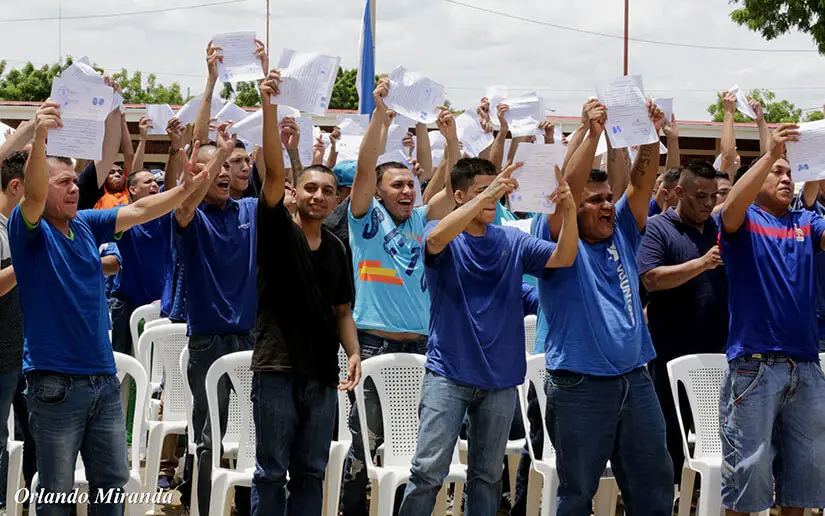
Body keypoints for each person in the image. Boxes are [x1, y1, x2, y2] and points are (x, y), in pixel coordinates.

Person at [8, 100, 210, 516]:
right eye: (62, 182)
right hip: (54, 383)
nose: (73, 187)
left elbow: (139, 209)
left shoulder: (84, 223)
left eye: (73, 182)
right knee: (56, 493)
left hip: (102, 378)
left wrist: (187, 188)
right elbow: (31, 193)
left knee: (112, 486)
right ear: (42, 188)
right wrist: (40, 137)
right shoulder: (28, 231)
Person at [397, 157, 578, 515]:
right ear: (459, 195)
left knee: (489, 476)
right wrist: (486, 196)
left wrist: (569, 210)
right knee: (427, 472)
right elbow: (434, 239)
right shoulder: (442, 231)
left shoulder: (512, 239)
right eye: (483, 191)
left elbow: (564, 256)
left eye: (497, 191)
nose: (493, 198)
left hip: (500, 380)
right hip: (448, 375)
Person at [534, 99, 674, 515]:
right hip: (580, 387)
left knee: (653, 489)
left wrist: (649, 134)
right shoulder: (558, 240)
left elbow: (642, 182)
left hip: (636, 380)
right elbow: (567, 194)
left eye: (608, 198)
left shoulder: (624, 232)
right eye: (595, 200)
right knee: (578, 495)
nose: (607, 206)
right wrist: (593, 134)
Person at [341, 79, 457, 515]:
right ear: (378, 190)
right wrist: (381, 113)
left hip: (424, 351)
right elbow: (368, 163)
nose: (407, 191)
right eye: (397, 186)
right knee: (361, 447)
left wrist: (451, 140)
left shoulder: (424, 219)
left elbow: (460, 193)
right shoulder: (364, 220)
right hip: (372, 348)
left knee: (415, 451)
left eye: (411, 184)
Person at [249, 69, 361, 516]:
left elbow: (343, 310)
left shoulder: (337, 247)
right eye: (310, 188)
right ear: (295, 194)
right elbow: (274, 171)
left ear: (336, 200)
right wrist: (270, 107)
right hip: (276, 368)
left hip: (321, 375)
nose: (318, 196)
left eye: (327, 191)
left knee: (312, 471)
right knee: (271, 472)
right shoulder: (277, 228)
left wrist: (353, 353)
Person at [718, 123, 825, 515]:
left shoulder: (807, 222)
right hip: (754, 367)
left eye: (789, 172)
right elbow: (730, 209)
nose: (786, 177)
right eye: (777, 172)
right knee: (747, 482)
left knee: (803, 481)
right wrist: (770, 154)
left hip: (806, 367)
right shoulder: (744, 222)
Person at [637, 160, 729, 485]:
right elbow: (651, 278)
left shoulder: (720, 229)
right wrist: (701, 264)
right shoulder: (658, 227)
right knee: (670, 441)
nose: (707, 204)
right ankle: (670, 500)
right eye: (699, 196)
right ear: (679, 191)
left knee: (713, 444)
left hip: (717, 356)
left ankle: (700, 500)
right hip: (670, 358)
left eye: (713, 196)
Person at [0, 151, 36, 509]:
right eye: (36, 186)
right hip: (3, 357)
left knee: (34, 438)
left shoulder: (17, 228)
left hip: (24, 354)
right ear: (16, 186)